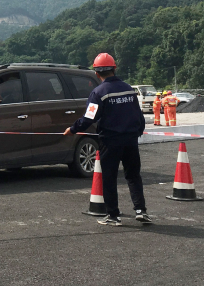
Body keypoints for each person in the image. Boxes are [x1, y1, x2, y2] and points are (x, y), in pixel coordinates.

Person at [63, 53, 151, 226]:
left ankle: (113, 215)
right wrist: (137, 132)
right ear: (114, 69)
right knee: (133, 176)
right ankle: (141, 211)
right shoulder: (129, 89)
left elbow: (89, 118)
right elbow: (139, 116)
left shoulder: (98, 93)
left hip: (110, 141)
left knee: (109, 178)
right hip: (130, 140)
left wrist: (73, 129)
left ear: (97, 73)